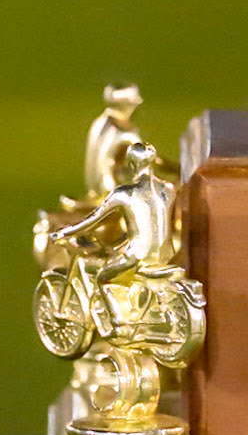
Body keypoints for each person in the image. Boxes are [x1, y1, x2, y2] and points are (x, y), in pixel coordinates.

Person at [49, 140, 178, 338]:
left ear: (131, 164)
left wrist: (66, 232)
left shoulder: (125, 194)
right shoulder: (168, 189)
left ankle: (120, 324)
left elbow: (93, 219)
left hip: (139, 255)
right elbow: (152, 225)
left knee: (104, 278)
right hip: (166, 254)